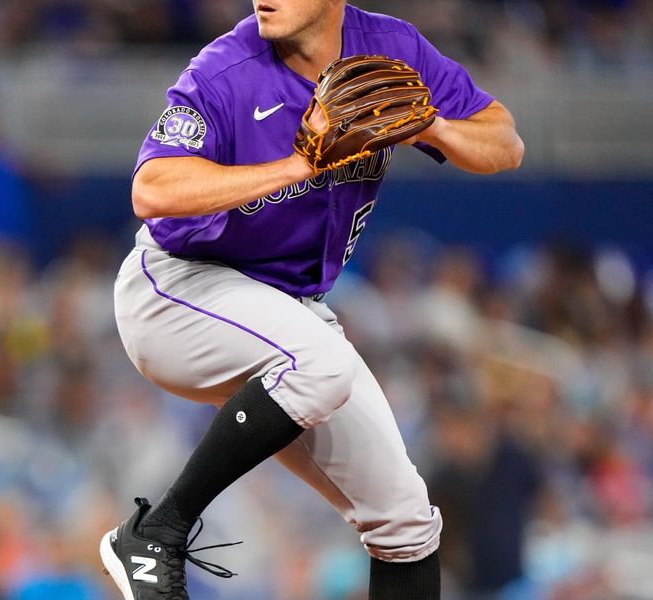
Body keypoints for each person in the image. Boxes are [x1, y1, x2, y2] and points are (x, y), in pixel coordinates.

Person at [99, 1, 524, 599]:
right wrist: (300, 163)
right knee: (320, 362)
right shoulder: (227, 68)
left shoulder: (390, 48)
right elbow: (152, 188)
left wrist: (432, 127)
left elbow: (505, 143)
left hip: (286, 308)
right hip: (178, 289)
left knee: (406, 520)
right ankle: (158, 530)